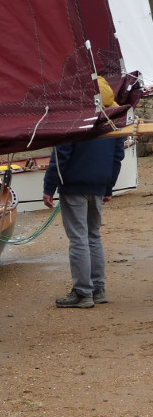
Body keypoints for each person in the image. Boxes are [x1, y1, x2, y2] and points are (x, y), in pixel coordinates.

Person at [42, 127, 124, 308]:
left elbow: (60, 154)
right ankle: (98, 289)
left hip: (74, 184)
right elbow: (118, 155)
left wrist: (49, 187)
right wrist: (109, 186)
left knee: (78, 237)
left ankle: (82, 292)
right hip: (98, 183)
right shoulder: (113, 120)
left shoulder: (74, 118)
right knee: (93, 235)